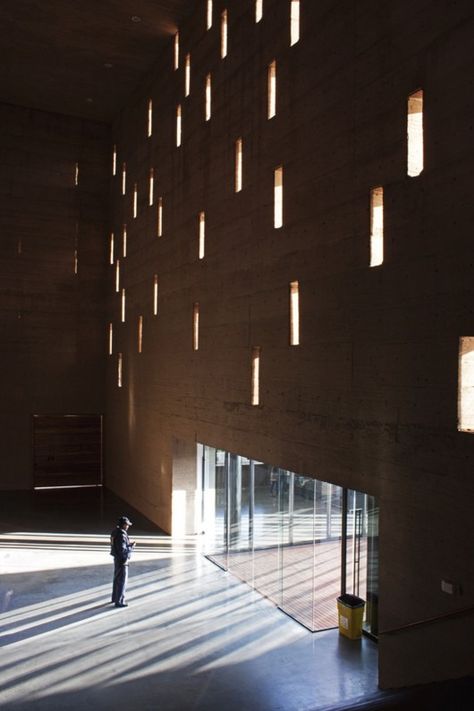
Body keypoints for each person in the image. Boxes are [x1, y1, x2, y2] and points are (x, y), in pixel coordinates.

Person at [110, 516, 135, 608]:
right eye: (127, 525)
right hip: (122, 560)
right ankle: (119, 601)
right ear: (124, 525)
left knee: (116, 579)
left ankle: (114, 598)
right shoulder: (121, 535)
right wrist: (131, 547)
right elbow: (122, 550)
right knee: (122, 581)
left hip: (116, 559)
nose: (128, 526)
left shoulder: (114, 532)